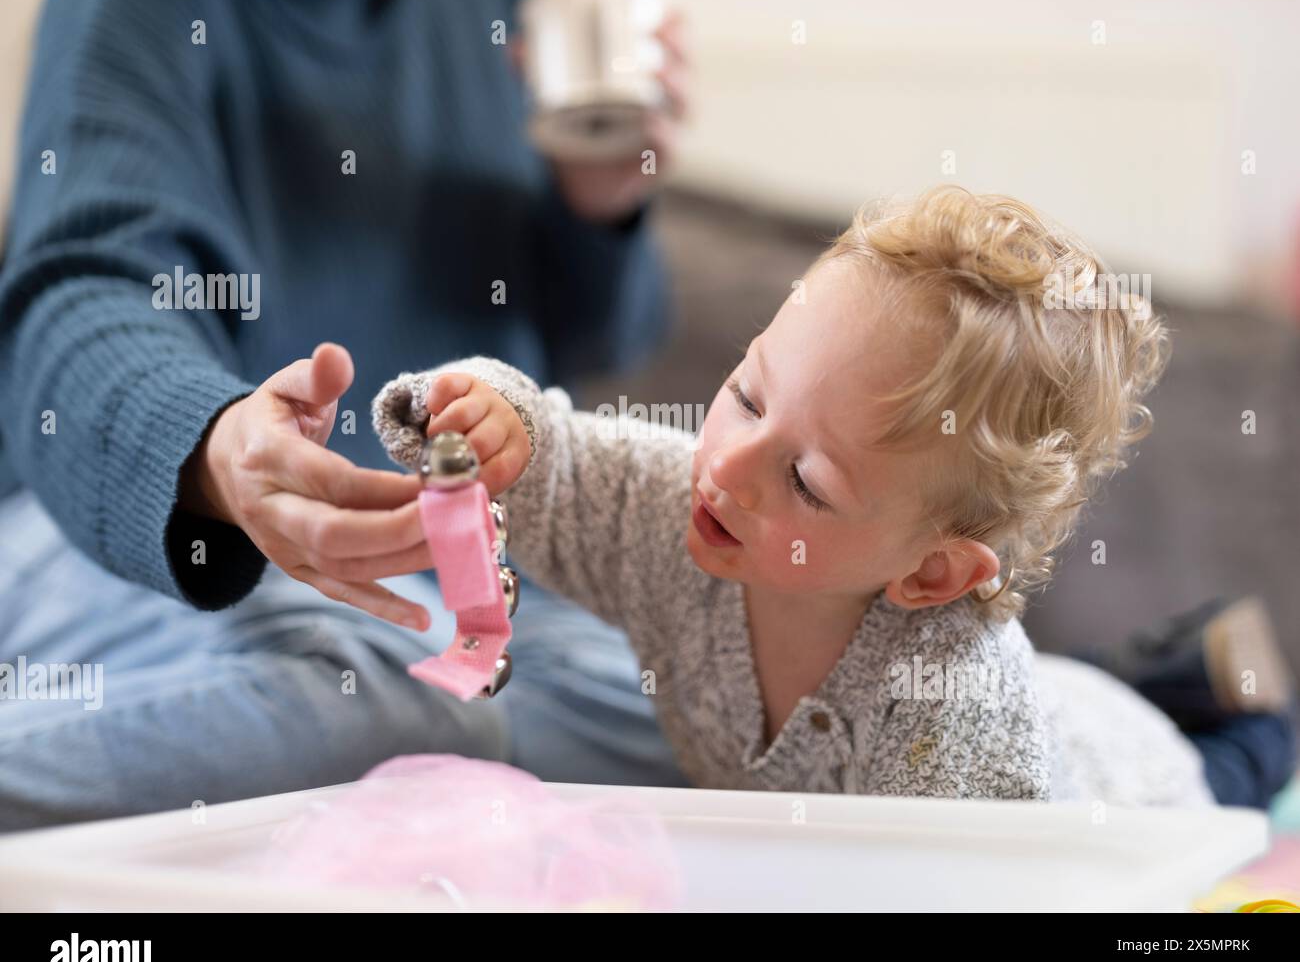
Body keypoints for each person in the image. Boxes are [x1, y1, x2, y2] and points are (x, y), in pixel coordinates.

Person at [0, 0, 693, 832]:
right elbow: (80, 298)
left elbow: (601, 337)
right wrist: (213, 450)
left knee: (714, 722)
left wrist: (599, 203)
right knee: (408, 707)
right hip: (167, 550)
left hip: (456, 594)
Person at [372, 187, 1296, 806]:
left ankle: (1247, 700)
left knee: (1237, 767)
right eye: (746, 396)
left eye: (806, 483)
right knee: (1080, 688)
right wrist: (490, 419)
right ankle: (1159, 665)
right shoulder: (675, 505)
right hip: (1060, 695)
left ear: (932, 571)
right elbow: (556, 466)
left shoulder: (959, 722)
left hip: (1122, 787)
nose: (727, 466)